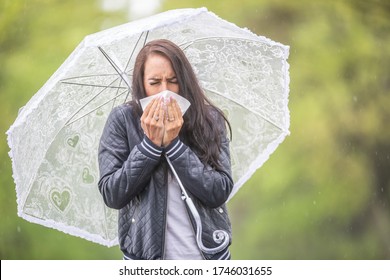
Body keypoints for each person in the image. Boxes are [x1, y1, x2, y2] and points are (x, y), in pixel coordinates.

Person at [98, 39, 233, 260]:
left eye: (173, 81)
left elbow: (219, 190)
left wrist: (174, 145)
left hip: (208, 257)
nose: (165, 92)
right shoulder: (122, 120)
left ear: (184, 81)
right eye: (154, 82)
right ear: (142, 85)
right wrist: (150, 146)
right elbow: (112, 194)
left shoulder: (209, 120)